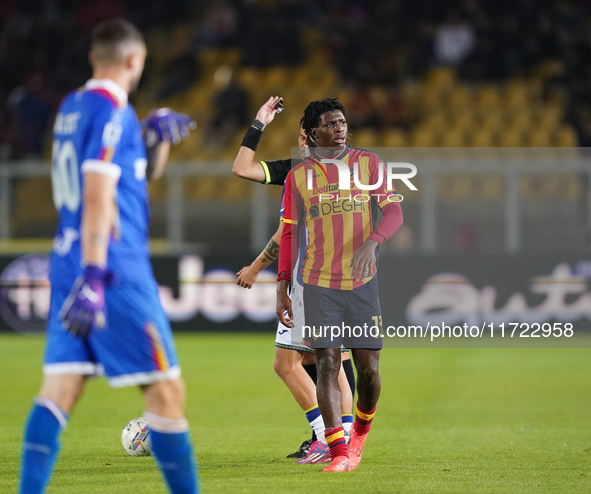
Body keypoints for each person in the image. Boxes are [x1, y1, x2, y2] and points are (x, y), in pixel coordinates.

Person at [18, 19, 198, 494]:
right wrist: (96, 275)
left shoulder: (73, 106)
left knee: (60, 389)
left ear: (94, 57)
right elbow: (98, 196)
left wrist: (151, 138)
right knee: (166, 392)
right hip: (114, 268)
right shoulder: (113, 112)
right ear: (134, 60)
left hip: (66, 260)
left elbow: (130, 175)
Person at [276, 97, 403, 472]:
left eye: (343, 122)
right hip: (318, 285)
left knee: (368, 372)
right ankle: (339, 453)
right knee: (328, 363)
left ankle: (359, 434)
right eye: (331, 124)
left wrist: (373, 241)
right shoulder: (298, 177)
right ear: (313, 132)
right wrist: (282, 283)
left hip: (362, 284)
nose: (340, 128)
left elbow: (394, 210)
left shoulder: (369, 164)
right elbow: (288, 234)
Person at [232, 97, 356, 463]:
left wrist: (261, 272)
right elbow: (243, 168)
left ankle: (326, 438)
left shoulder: (304, 175)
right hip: (344, 277)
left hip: (313, 278)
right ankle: (343, 441)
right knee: (332, 362)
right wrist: (259, 123)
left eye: (305, 137)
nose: (302, 143)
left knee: (287, 364)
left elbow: (287, 233)